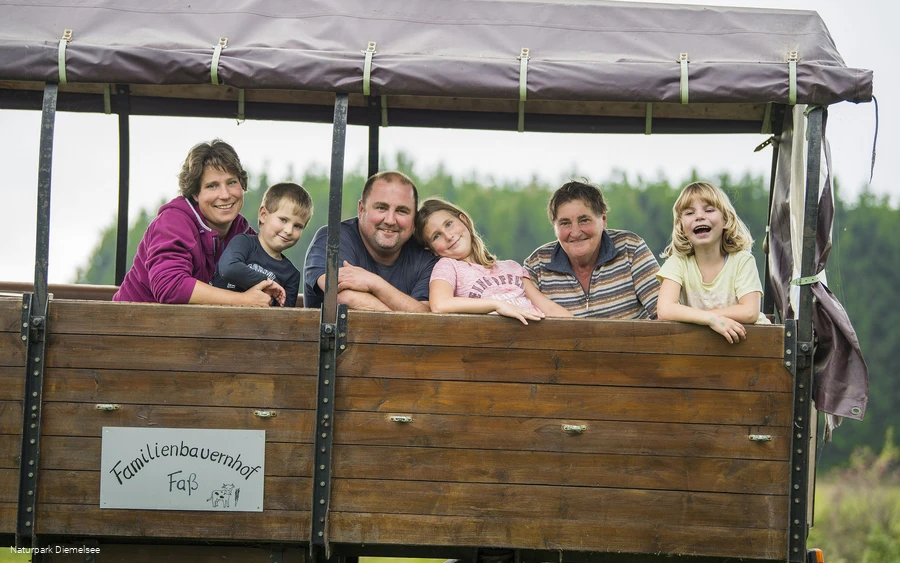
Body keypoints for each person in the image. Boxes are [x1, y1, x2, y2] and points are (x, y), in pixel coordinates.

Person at [113, 139, 281, 306]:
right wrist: (242, 300)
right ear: (195, 193)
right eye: (212, 186)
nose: (224, 194)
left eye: (231, 182)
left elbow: (269, 273)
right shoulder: (173, 222)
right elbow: (170, 286)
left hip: (188, 328)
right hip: (130, 326)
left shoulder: (243, 233)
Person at [415, 197, 573, 325]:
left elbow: (548, 307)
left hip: (539, 340)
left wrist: (586, 334)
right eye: (437, 236)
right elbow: (439, 305)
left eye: (449, 224)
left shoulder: (512, 267)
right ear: (432, 249)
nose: (448, 236)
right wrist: (497, 305)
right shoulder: (448, 266)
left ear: (464, 220)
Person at [303, 171, 438, 311]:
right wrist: (409, 316)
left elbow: (426, 314)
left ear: (414, 217)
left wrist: (374, 283)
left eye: (402, 211)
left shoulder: (426, 255)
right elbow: (344, 298)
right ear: (361, 210)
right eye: (381, 208)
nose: (390, 220)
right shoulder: (333, 240)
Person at [524, 181, 660, 319]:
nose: (575, 232)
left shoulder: (630, 249)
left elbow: (664, 316)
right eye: (565, 223)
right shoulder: (537, 265)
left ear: (604, 220)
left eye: (584, 220)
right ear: (555, 228)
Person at [656, 181, 770, 343]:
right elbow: (665, 309)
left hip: (750, 344)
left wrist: (706, 317)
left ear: (726, 220)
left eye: (709, 210)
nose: (699, 216)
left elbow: (750, 311)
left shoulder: (742, 261)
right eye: (689, 213)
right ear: (681, 226)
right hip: (701, 347)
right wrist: (712, 320)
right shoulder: (678, 262)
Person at [212, 182, 313, 307]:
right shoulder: (243, 243)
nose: (289, 230)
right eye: (283, 220)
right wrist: (269, 283)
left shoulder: (291, 275)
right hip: (218, 322)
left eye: (298, 226)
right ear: (263, 215)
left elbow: (284, 318)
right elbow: (228, 269)